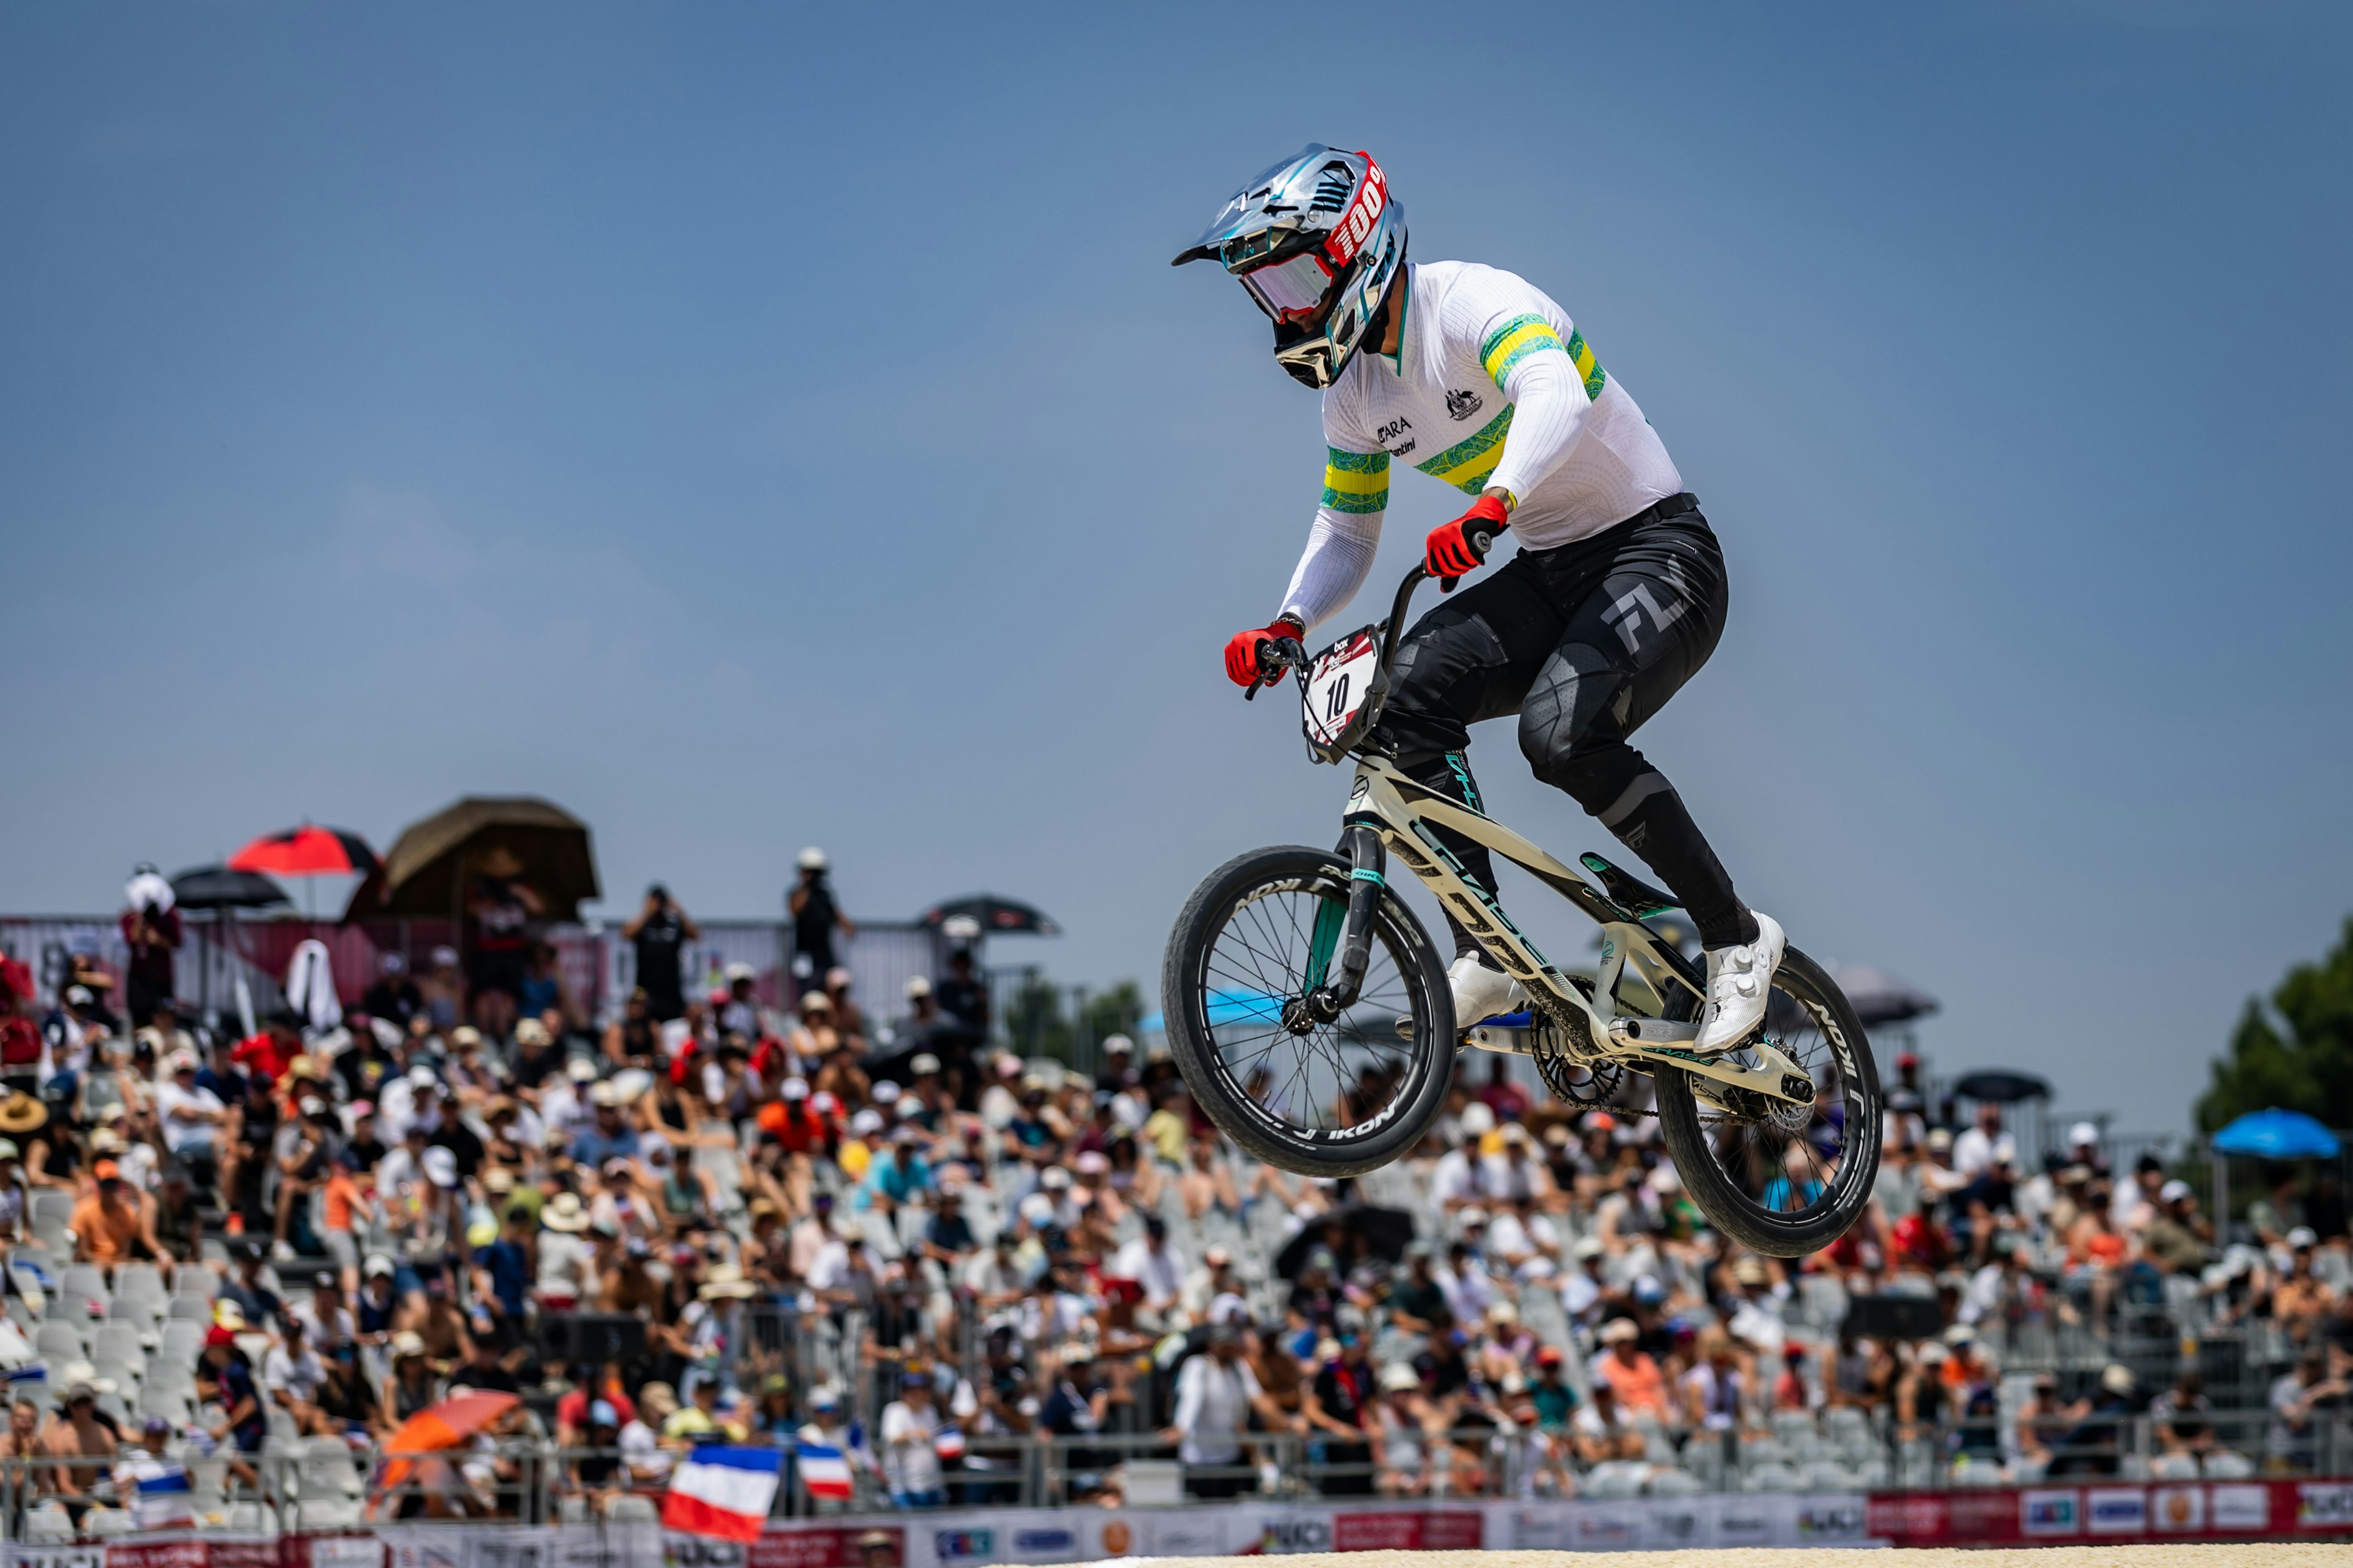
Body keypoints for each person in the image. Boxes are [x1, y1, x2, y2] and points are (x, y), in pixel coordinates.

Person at [1182, 145, 1781, 1050]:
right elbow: (1348, 529)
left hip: (1659, 549)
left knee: (1561, 734)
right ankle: (1486, 949)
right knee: (1401, 698)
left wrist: (1495, 503)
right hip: (1549, 565)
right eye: (1270, 293)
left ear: (1359, 249)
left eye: (1298, 278)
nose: (1289, 309)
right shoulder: (1350, 395)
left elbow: (1555, 391)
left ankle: (1735, 936)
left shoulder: (1468, 303)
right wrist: (1288, 621)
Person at [626, 885, 698, 1024]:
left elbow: (695, 935)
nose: (658, 904)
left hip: (671, 994)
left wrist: (680, 912)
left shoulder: (674, 925)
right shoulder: (644, 924)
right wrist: (647, 911)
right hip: (646, 993)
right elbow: (627, 934)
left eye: (661, 901)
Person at [788, 849, 854, 985]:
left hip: (824, 953)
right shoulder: (798, 893)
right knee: (805, 987)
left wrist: (847, 926)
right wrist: (807, 885)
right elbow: (794, 910)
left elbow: (838, 915)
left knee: (828, 984)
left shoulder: (825, 895)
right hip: (804, 952)